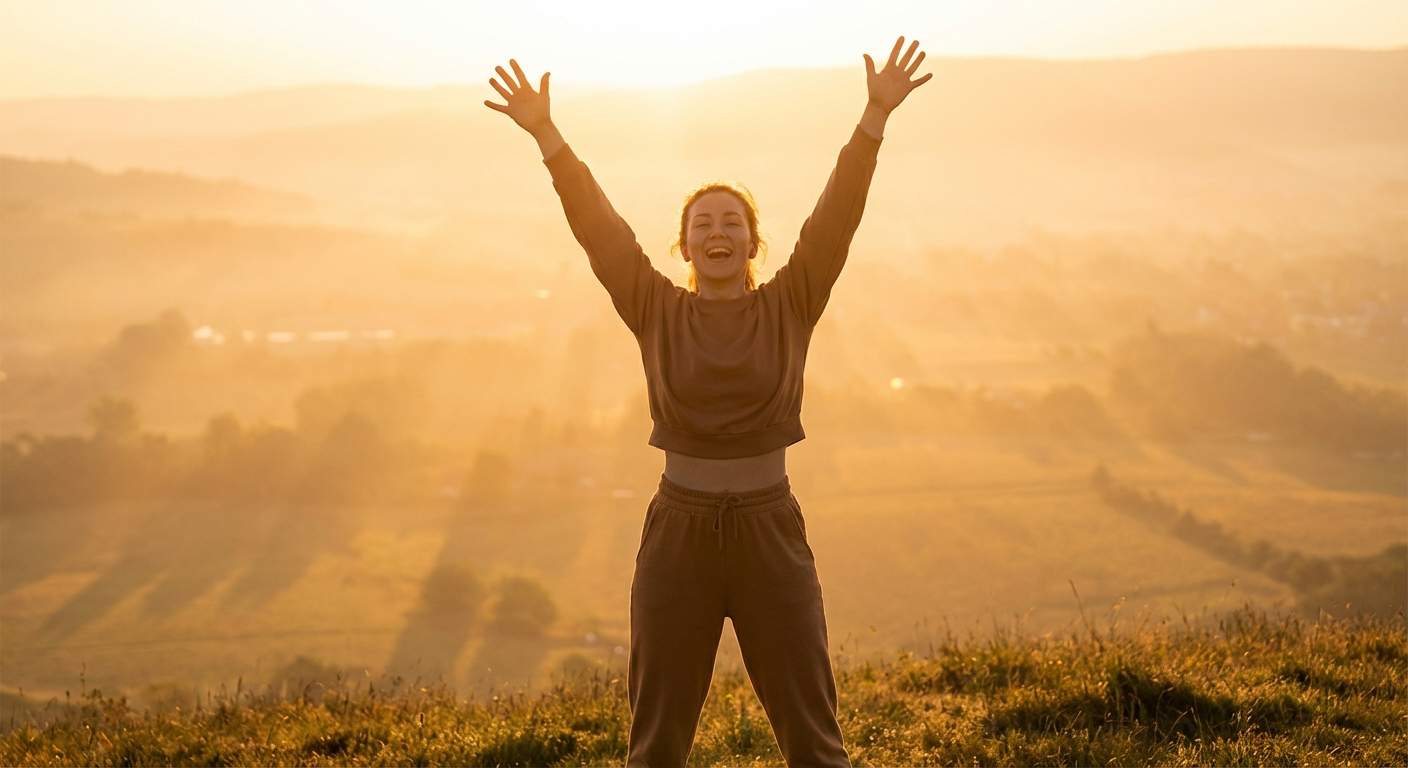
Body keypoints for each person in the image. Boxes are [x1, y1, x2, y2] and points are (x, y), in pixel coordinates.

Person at [484, 37, 930, 768]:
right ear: (684, 248)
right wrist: (546, 134)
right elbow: (601, 231)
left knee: (816, 743)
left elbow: (837, 217)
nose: (718, 231)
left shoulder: (793, 302)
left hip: (769, 533)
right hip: (678, 538)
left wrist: (873, 118)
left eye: (732, 223)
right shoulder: (654, 308)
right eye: (702, 224)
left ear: (752, 242)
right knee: (656, 744)